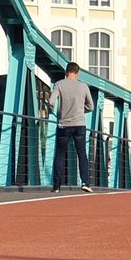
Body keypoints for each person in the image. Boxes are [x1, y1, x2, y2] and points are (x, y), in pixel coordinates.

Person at [50, 62, 94, 193]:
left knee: (59, 154)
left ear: (66, 72)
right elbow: (91, 106)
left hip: (64, 124)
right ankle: (85, 182)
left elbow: (51, 101)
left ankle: (57, 186)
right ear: (77, 72)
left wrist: (55, 111)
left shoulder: (59, 84)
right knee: (81, 153)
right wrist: (80, 110)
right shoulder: (83, 86)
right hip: (79, 124)